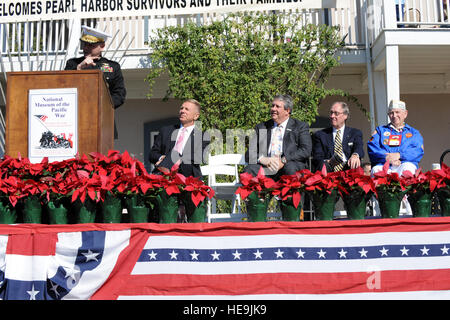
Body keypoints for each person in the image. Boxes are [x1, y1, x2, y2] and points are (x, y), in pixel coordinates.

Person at [64, 25, 126, 138]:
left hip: (102, 119)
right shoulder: (72, 64)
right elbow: (63, 86)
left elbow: (119, 95)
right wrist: (79, 69)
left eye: (91, 45)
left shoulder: (113, 66)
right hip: (77, 118)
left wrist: (100, 104)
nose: (86, 48)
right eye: (84, 44)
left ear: (102, 46)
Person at [244, 94, 312, 179]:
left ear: (287, 111)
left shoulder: (299, 127)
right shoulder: (262, 127)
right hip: (266, 168)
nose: (273, 109)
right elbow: (249, 153)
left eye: (277, 106)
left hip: (288, 166)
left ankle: (292, 192)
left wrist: (284, 160)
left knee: (291, 168)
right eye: (272, 106)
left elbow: (305, 150)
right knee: (249, 170)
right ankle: (252, 193)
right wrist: (262, 159)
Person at [149, 99, 208, 178]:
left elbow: (199, 157)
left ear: (196, 116)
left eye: (186, 109)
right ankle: (161, 172)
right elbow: (152, 154)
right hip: (166, 179)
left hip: (188, 177)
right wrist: (161, 157)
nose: (182, 111)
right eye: (181, 108)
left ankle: (158, 173)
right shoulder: (166, 131)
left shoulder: (202, 136)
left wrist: (176, 159)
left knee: (175, 155)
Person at [367, 100, 424, 175]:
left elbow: (418, 150)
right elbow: (372, 148)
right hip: (383, 164)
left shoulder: (414, 133)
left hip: (404, 164)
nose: (394, 115)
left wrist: (399, 155)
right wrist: (386, 158)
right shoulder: (379, 131)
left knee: (408, 169)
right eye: (391, 113)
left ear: (405, 114)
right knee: (376, 170)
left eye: (397, 112)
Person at [312, 102, 365, 172]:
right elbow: (317, 157)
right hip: (329, 172)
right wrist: (329, 162)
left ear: (345, 115)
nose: (332, 116)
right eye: (331, 113)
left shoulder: (355, 133)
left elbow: (359, 148)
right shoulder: (320, 135)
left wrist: (355, 155)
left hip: (349, 171)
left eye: (336, 113)